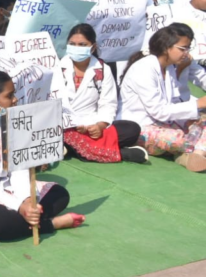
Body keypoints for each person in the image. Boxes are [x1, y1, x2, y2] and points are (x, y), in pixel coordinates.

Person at [0, 69, 84, 242]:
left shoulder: (14, 118)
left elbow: (20, 166)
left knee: (59, 195)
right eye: (9, 96)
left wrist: (27, 200)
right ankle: (51, 224)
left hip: (11, 187)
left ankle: (9, 228)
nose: (15, 99)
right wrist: (19, 206)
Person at [119, 23, 206, 172]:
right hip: (141, 127)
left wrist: (190, 118)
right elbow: (159, 111)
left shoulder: (169, 66)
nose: (187, 53)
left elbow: (175, 102)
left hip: (166, 123)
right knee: (178, 139)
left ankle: (196, 154)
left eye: (188, 48)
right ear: (166, 47)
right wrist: (198, 104)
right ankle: (191, 151)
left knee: (201, 122)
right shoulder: (144, 68)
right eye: (182, 49)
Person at [59, 24, 146, 164]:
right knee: (56, 132)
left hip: (90, 125)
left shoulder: (103, 70)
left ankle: (70, 148)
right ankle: (120, 153)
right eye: (72, 44)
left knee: (132, 129)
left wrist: (99, 126)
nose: (76, 48)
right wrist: (69, 123)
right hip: (62, 125)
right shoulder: (56, 67)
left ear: (93, 47)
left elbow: (108, 103)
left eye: (82, 45)